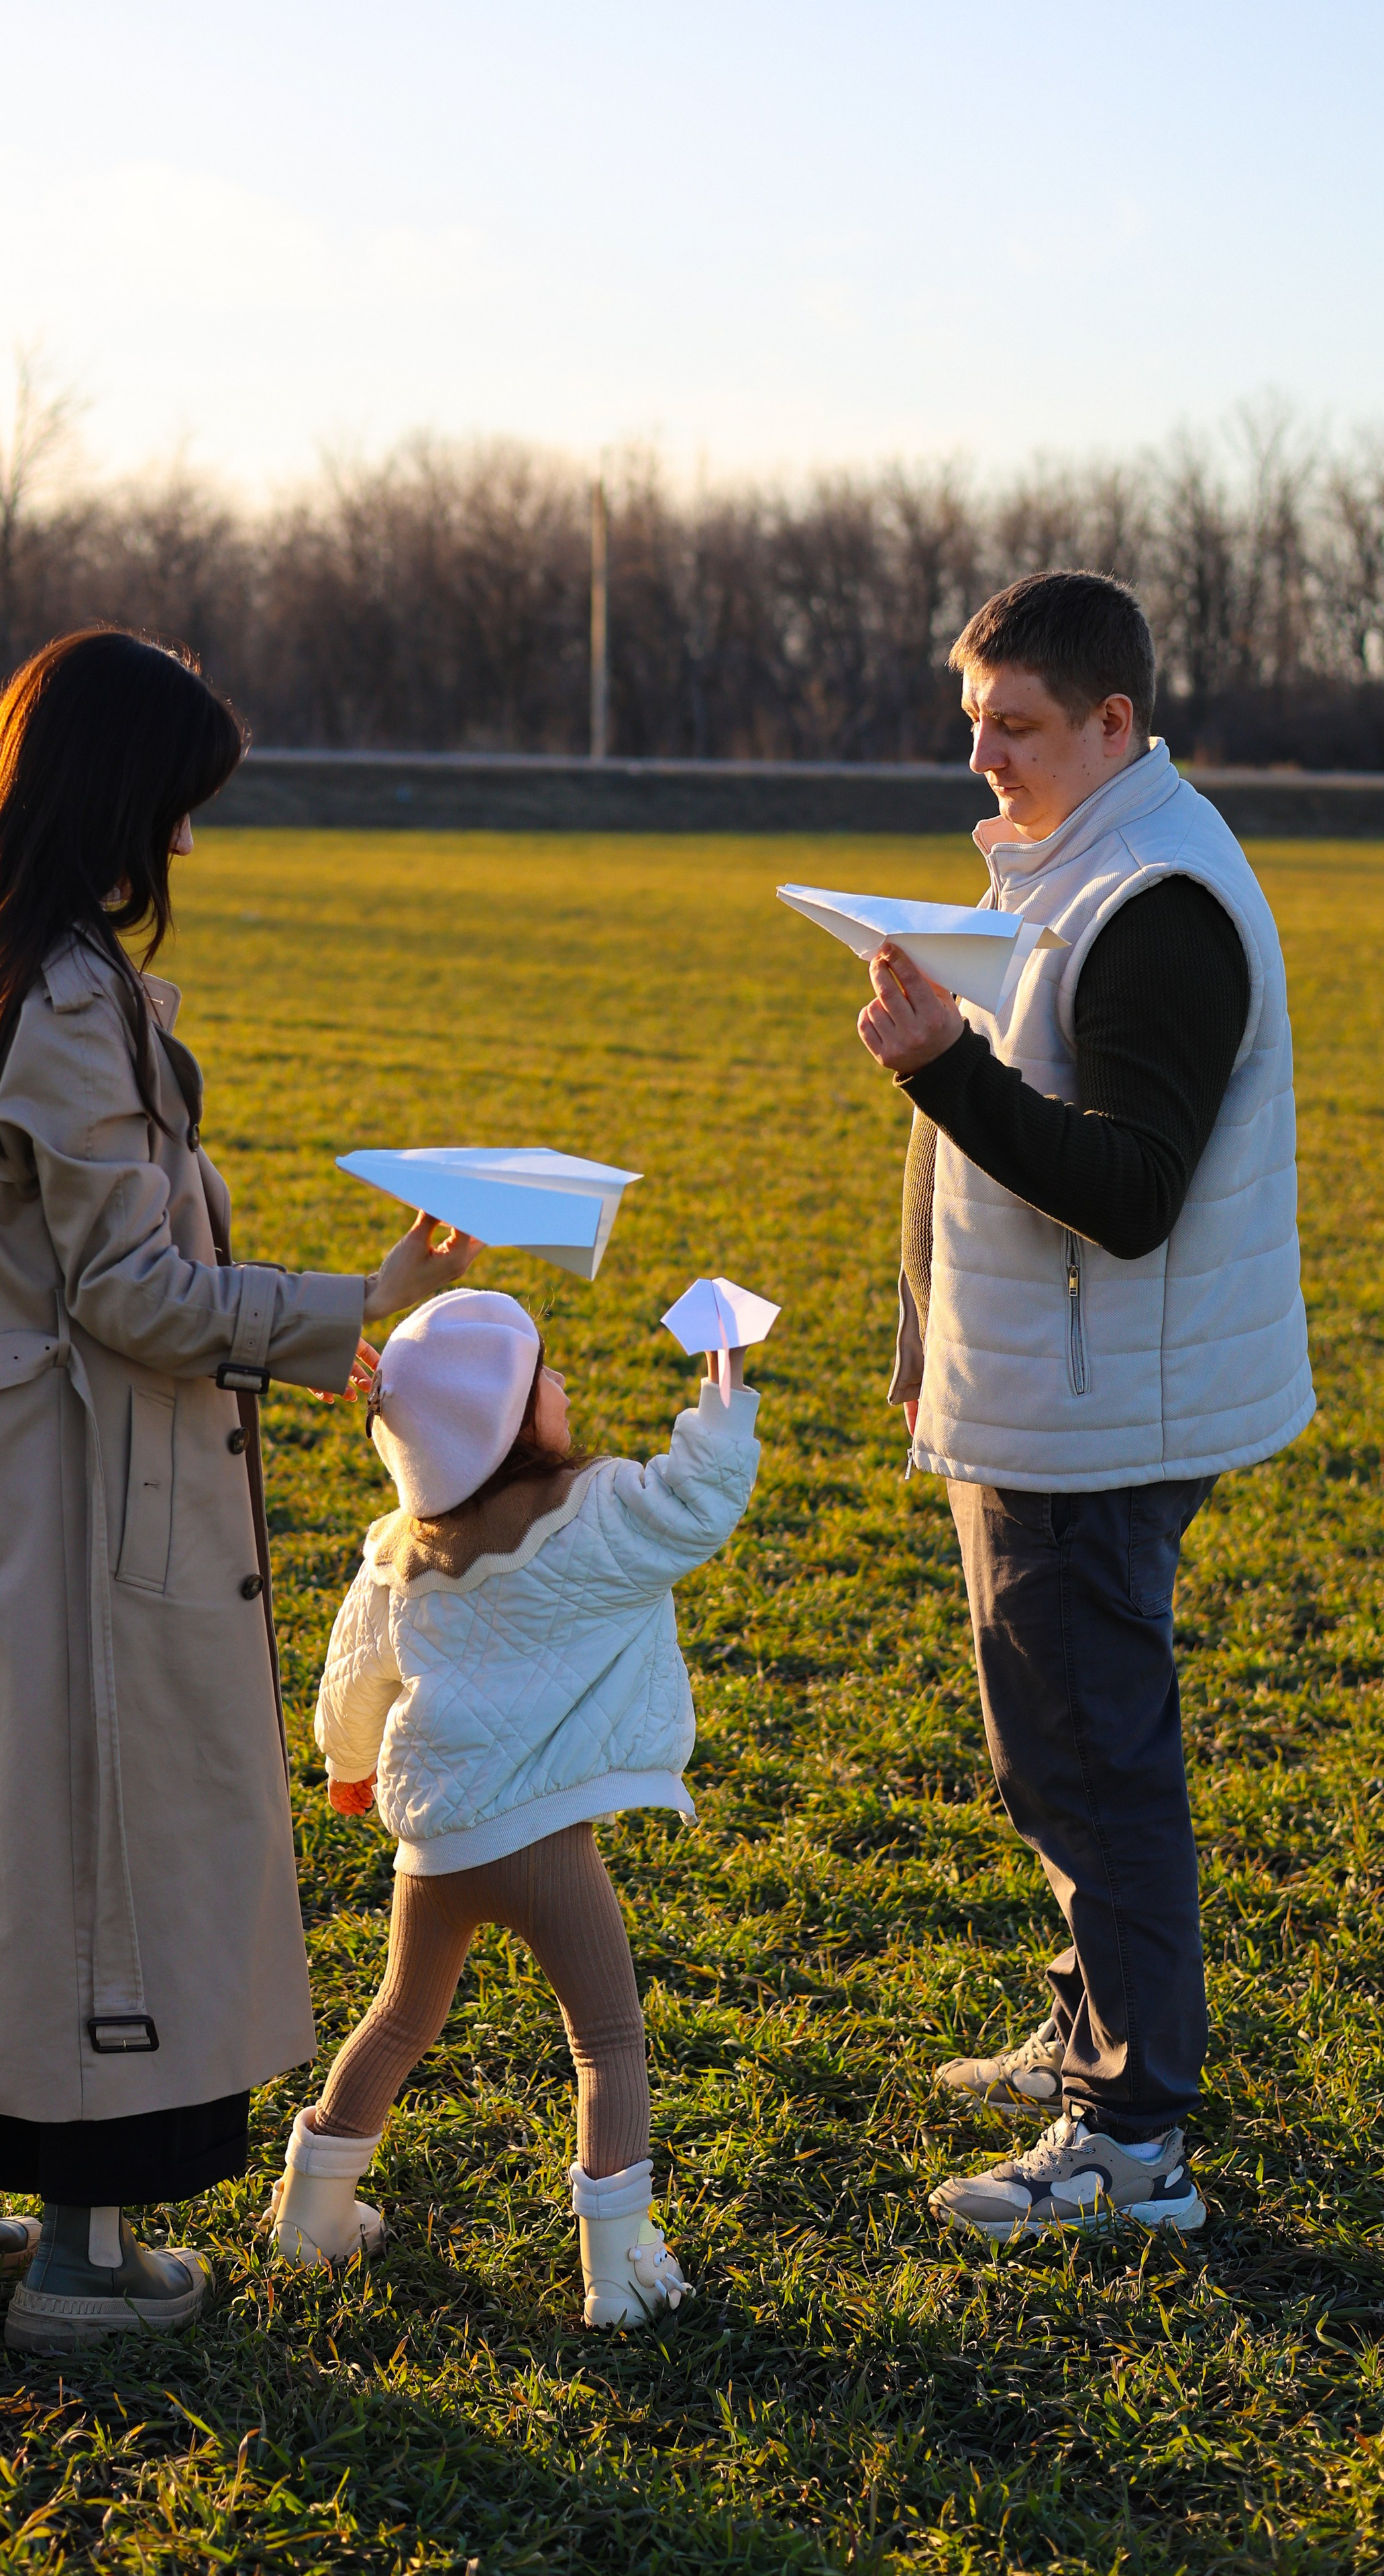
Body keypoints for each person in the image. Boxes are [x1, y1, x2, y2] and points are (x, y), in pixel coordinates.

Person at [0, 629, 478, 2347]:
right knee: (102, 1850)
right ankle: (87, 2252)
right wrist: (366, 1303)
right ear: (108, 797)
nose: (183, 848)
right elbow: (134, 1298)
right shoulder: (56, 996)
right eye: (174, 809)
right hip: (74, 1503)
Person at [856, 571, 1313, 2241]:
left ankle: (1128, 2140)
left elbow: (1127, 1192)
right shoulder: (1068, 859)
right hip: (1037, 1392)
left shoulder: (1154, 900)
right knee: (1053, 1751)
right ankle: (1090, 2030)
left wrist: (938, 1068)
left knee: (1093, 1758)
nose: (980, 755)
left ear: (1112, 722)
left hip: (1099, 1412)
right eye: (969, 720)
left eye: (1017, 725)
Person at [270, 1288, 760, 2325]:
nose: (564, 1384)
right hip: (545, 1845)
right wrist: (724, 1384)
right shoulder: (598, 1516)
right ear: (505, 1417)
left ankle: (312, 2210)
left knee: (401, 2013)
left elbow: (352, 1679)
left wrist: (347, 1768)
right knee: (608, 2041)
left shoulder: (398, 1549)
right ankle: (618, 2269)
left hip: (435, 1842)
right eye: (545, 1375)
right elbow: (701, 1501)